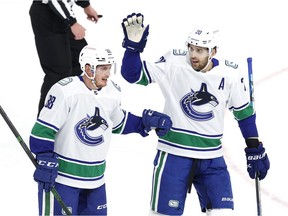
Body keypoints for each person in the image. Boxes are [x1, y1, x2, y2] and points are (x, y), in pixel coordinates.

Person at [120, 13, 270, 216]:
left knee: (223, 213)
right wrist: (132, 49)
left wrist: (254, 147)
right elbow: (133, 75)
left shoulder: (231, 74)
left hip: (211, 157)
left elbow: (244, 115)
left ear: (213, 51)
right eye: (191, 48)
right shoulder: (174, 62)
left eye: (200, 50)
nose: (193, 54)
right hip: (174, 154)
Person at [29, 45, 172, 216]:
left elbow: (117, 123)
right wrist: (44, 159)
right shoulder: (65, 91)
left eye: (109, 68)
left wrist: (144, 123)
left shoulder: (112, 92)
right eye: (103, 68)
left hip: (95, 180)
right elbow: (43, 130)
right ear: (88, 68)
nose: (108, 73)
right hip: (63, 179)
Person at [29, 0, 101, 115]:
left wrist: (86, 5)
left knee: (82, 62)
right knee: (58, 71)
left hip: (61, 14)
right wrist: (71, 21)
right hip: (48, 14)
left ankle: (71, 113)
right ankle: (44, 124)